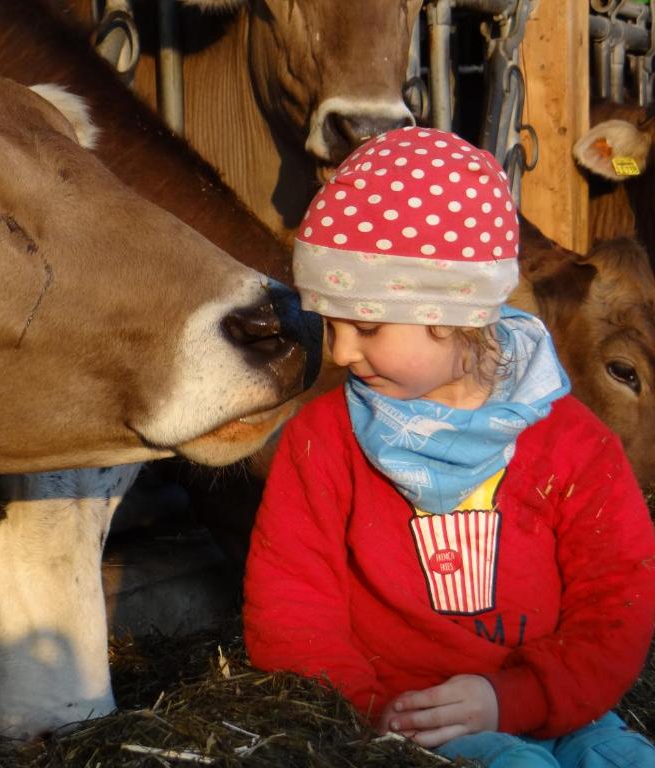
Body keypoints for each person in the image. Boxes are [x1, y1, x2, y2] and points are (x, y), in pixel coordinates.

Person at [242, 126, 655, 767]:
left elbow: (617, 603)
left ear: (456, 315)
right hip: (407, 720)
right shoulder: (322, 441)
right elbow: (293, 604)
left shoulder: (574, 446)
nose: (343, 352)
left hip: (560, 702)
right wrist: (369, 712)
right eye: (332, 324)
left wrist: (517, 697)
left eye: (368, 326)